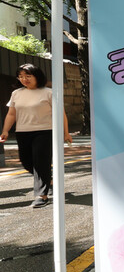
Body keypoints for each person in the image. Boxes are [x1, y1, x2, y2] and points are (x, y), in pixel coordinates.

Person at [1, 64, 71, 208]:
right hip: (22, 132)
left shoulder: (49, 92)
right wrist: (5, 130)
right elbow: (11, 114)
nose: (24, 79)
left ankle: (41, 196)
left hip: (45, 131)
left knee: (41, 162)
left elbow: (61, 114)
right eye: (20, 76)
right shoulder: (17, 93)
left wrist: (66, 132)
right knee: (26, 161)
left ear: (37, 76)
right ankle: (48, 180)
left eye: (28, 76)